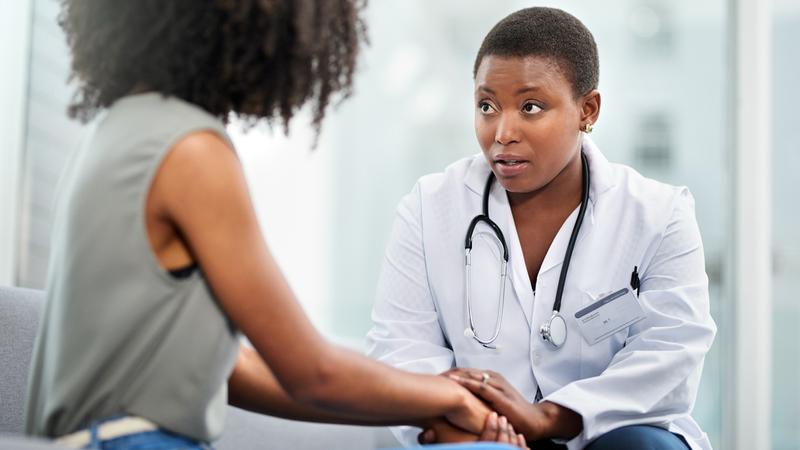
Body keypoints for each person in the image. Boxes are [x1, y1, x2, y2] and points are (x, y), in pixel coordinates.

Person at [23, 1, 529, 449]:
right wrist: (453, 396)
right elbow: (311, 371)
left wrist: (429, 404)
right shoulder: (192, 151)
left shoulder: (118, 132)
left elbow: (233, 371)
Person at [367, 7, 716, 450]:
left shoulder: (658, 215)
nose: (503, 132)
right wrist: (467, 416)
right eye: (486, 106)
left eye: (531, 107)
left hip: (606, 436)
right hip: (475, 433)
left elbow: (672, 355)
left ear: (587, 110)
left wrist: (548, 417)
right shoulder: (429, 207)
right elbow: (400, 349)